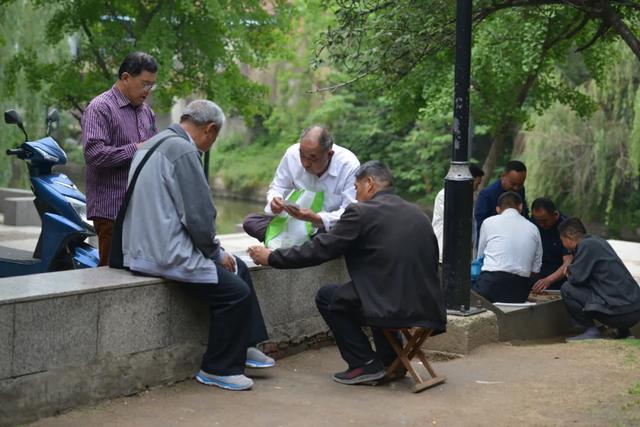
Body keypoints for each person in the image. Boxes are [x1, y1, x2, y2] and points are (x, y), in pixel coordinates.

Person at [118, 100, 274, 391]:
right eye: (214, 138)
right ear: (211, 129)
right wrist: (215, 252)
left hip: (142, 247)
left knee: (238, 266)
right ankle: (218, 368)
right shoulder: (184, 150)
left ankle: (244, 346)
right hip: (165, 254)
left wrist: (220, 255)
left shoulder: (153, 143)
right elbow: (199, 217)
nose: (210, 145)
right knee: (235, 293)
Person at [248, 161, 446, 385]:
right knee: (374, 290)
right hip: (428, 308)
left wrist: (272, 258)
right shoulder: (416, 212)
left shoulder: (361, 212)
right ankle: (391, 360)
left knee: (329, 296)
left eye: (356, 187)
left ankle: (364, 363)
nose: (355, 194)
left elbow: (320, 249)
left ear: (369, 184)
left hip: (391, 307)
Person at [82, 52, 159, 266]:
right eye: (144, 84)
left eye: (152, 86)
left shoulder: (146, 112)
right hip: (111, 209)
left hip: (140, 208)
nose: (147, 91)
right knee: (110, 275)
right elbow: (93, 154)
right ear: (125, 77)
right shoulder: (100, 108)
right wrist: (137, 149)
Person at [242, 126, 360, 243]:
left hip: (324, 227)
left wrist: (316, 218)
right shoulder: (291, 154)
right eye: (302, 155)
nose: (306, 163)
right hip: (293, 221)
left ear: (329, 155)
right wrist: (274, 200)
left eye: (313, 158)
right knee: (251, 222)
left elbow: (349, 212)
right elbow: (278, 186)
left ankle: (295, 246)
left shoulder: (348, 165)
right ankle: (303, 246)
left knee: (342, 234)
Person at [558, 218, 640, 341]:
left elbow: (576, 279)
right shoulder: (599, 241)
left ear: (569, 236)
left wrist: (569, 271)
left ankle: (589, 331)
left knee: (567, 288)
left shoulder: (586, 245)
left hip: (620, 314)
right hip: (635, 309)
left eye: (562, 240)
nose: (563, 244)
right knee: (606, 286)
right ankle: (624, 332)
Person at [472, 192, 542, 303]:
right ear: (520, 207)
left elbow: (480, 256)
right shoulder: (533, 228)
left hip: (489, 284)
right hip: (519, 290)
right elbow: (536, 268)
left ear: (498, 209)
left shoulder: (488, 222)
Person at [432, 164, 485, 262]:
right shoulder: (445, 194)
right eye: (476, 184)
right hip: (445, 251)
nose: (477, 188)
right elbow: (456, 219)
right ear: (469, 181)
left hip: (461, 253)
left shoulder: (470, 197)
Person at [474, 160, 529, 243]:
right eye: (513, 184)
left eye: (520, 184)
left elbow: (524, 214)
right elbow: (481, 227)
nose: (516, 188)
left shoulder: (520, 191)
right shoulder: (487, 195)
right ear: (503, 176)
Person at [529, 198, 572, 293]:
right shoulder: (532, 223)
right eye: (537, 220)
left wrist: (549, 280)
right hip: (536, 276)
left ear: (555, 215)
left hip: (558, 280)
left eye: (544, 220)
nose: (541, 224)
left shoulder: (566, 228)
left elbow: (568, 262)